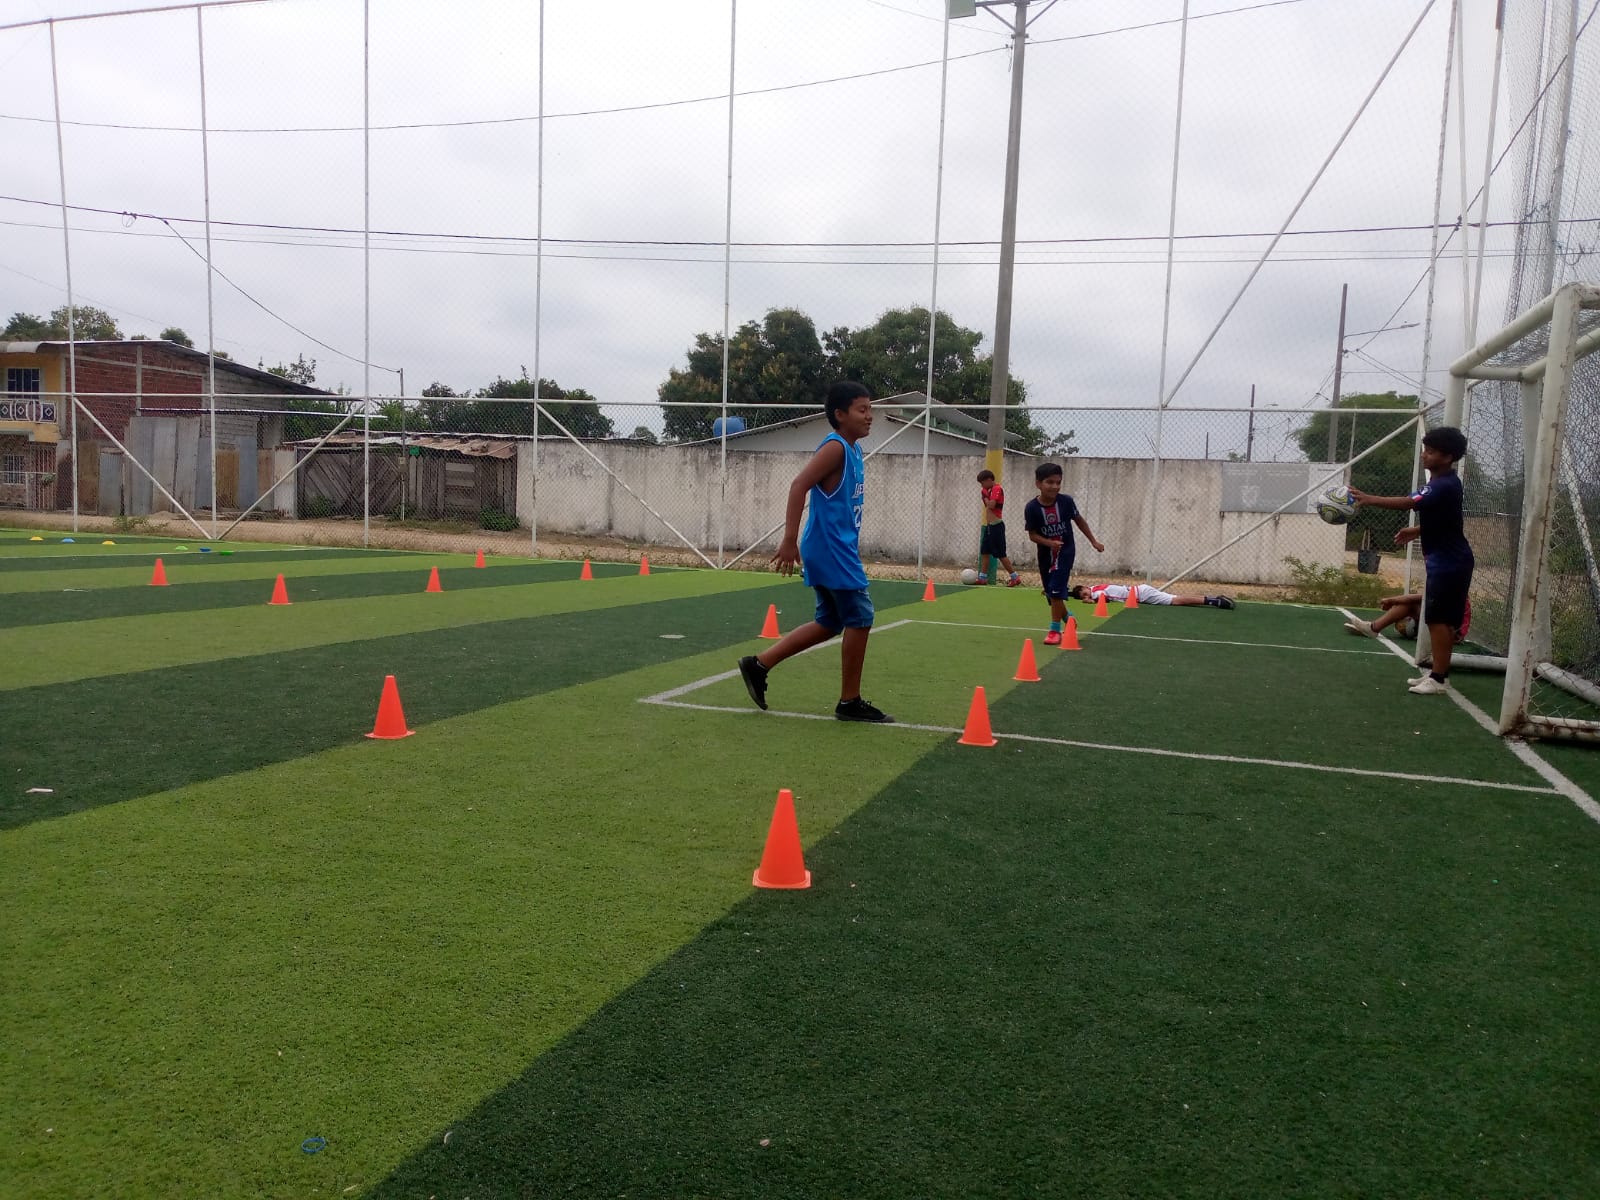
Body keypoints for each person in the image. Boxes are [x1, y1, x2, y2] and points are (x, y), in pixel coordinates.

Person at [737, 381, 892, 723]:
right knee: (861, 618)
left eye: (871, 409)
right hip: (830, 547)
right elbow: (798, 486)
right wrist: (789, 539)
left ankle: (759, 665)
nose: (870, 416)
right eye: (862, 410)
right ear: (840, 415)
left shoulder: (853, 450)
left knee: (830, 622)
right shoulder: (835, 448)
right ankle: (849, 701)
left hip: (834, 546)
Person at [1348, 426, 1474, 695]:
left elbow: (1408, 502)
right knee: (1435, 619)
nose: (1425, 455)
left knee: (1439, 621)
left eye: (1431, 452)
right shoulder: (1441, 483)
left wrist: (1368, 499)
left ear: (1448, 457)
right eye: (1425, 450)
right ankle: (1437, 675)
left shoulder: (1443, 484)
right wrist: (1417, 530)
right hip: (1445, 561)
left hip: (1450, 563)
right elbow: (1446, 521)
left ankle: (1439, 680)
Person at [1023, 462, 1104, 645]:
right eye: (1050, 482)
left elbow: (1079, 521)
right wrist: (1049, 543)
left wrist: (1093, 541)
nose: (1055, 486)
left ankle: (1054, 631)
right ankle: (1069, 618)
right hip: (1046, 554)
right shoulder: (1032, 508)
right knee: (1051, 595)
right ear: (1038, 483)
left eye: (1058, 482)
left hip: (1065, 551)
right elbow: (1032, 535)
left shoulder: (1066, 501)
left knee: (1056, 588)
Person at [1345, 593, 1471, 643]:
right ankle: (1373, 627)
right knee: (1408, 605)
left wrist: (1392, 600)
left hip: (1452, 633)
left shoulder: (1451, 581)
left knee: (1408, 605)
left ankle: (1373, 628)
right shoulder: (1451, 578)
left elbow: (1421, 597)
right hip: (1446, 626)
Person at [975, 468, 1022, 586]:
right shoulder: (986, 490)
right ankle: (982, 577)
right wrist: (986, 496)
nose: (981, 486)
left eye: (982, 483)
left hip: (996, 525)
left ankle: (1015, 577)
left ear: (989, 480)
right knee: (985, 551)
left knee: (1000, 553)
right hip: (989, 526)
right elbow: (987, 504)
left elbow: (991, 505)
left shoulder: (997, 489)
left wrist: (986, 497)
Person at [1070, 581, 1235, 609]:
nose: (1086, 596)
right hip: (1141, 591)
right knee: (1175, 597)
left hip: (1142, 594)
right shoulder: (1095, 587)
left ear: (1086, 588)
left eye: (1085, 593)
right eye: (1083, 595)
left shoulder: (1096, 592)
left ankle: (1214, 601)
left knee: (1175, 601)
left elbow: (1102, 598)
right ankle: (1212, 598)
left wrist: (1089, 601)